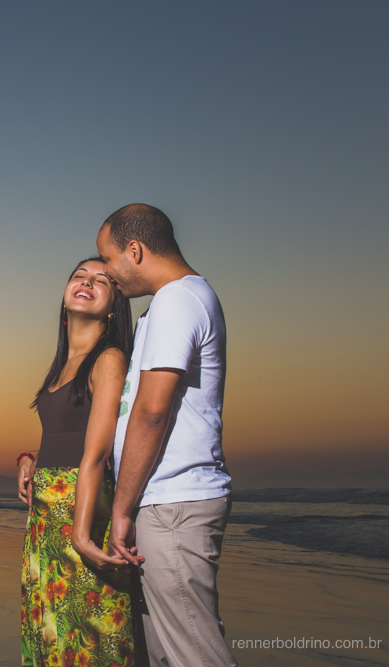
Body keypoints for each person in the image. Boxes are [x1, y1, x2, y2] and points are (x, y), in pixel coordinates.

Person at [95, 204, 238, 667]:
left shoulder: (178, 299)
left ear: (134, 250)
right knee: (164, 655)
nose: (107, 271)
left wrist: (121, 509)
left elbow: (152, 412)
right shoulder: (172, 302)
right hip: (164, 501)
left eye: (109, 258)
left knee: (195, 655)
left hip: (175, 503)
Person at [17, 257, 141, 667]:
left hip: (81, 509)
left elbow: (97, 451)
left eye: (101, 280)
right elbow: (65, 433)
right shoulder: (63, 364)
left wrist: (81, 535)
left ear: (113, 308)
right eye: (79, 276)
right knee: (50, 632)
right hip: (45, 518)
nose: (86, 282)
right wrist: (29, 459)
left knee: (88, 637)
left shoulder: (108, 358)